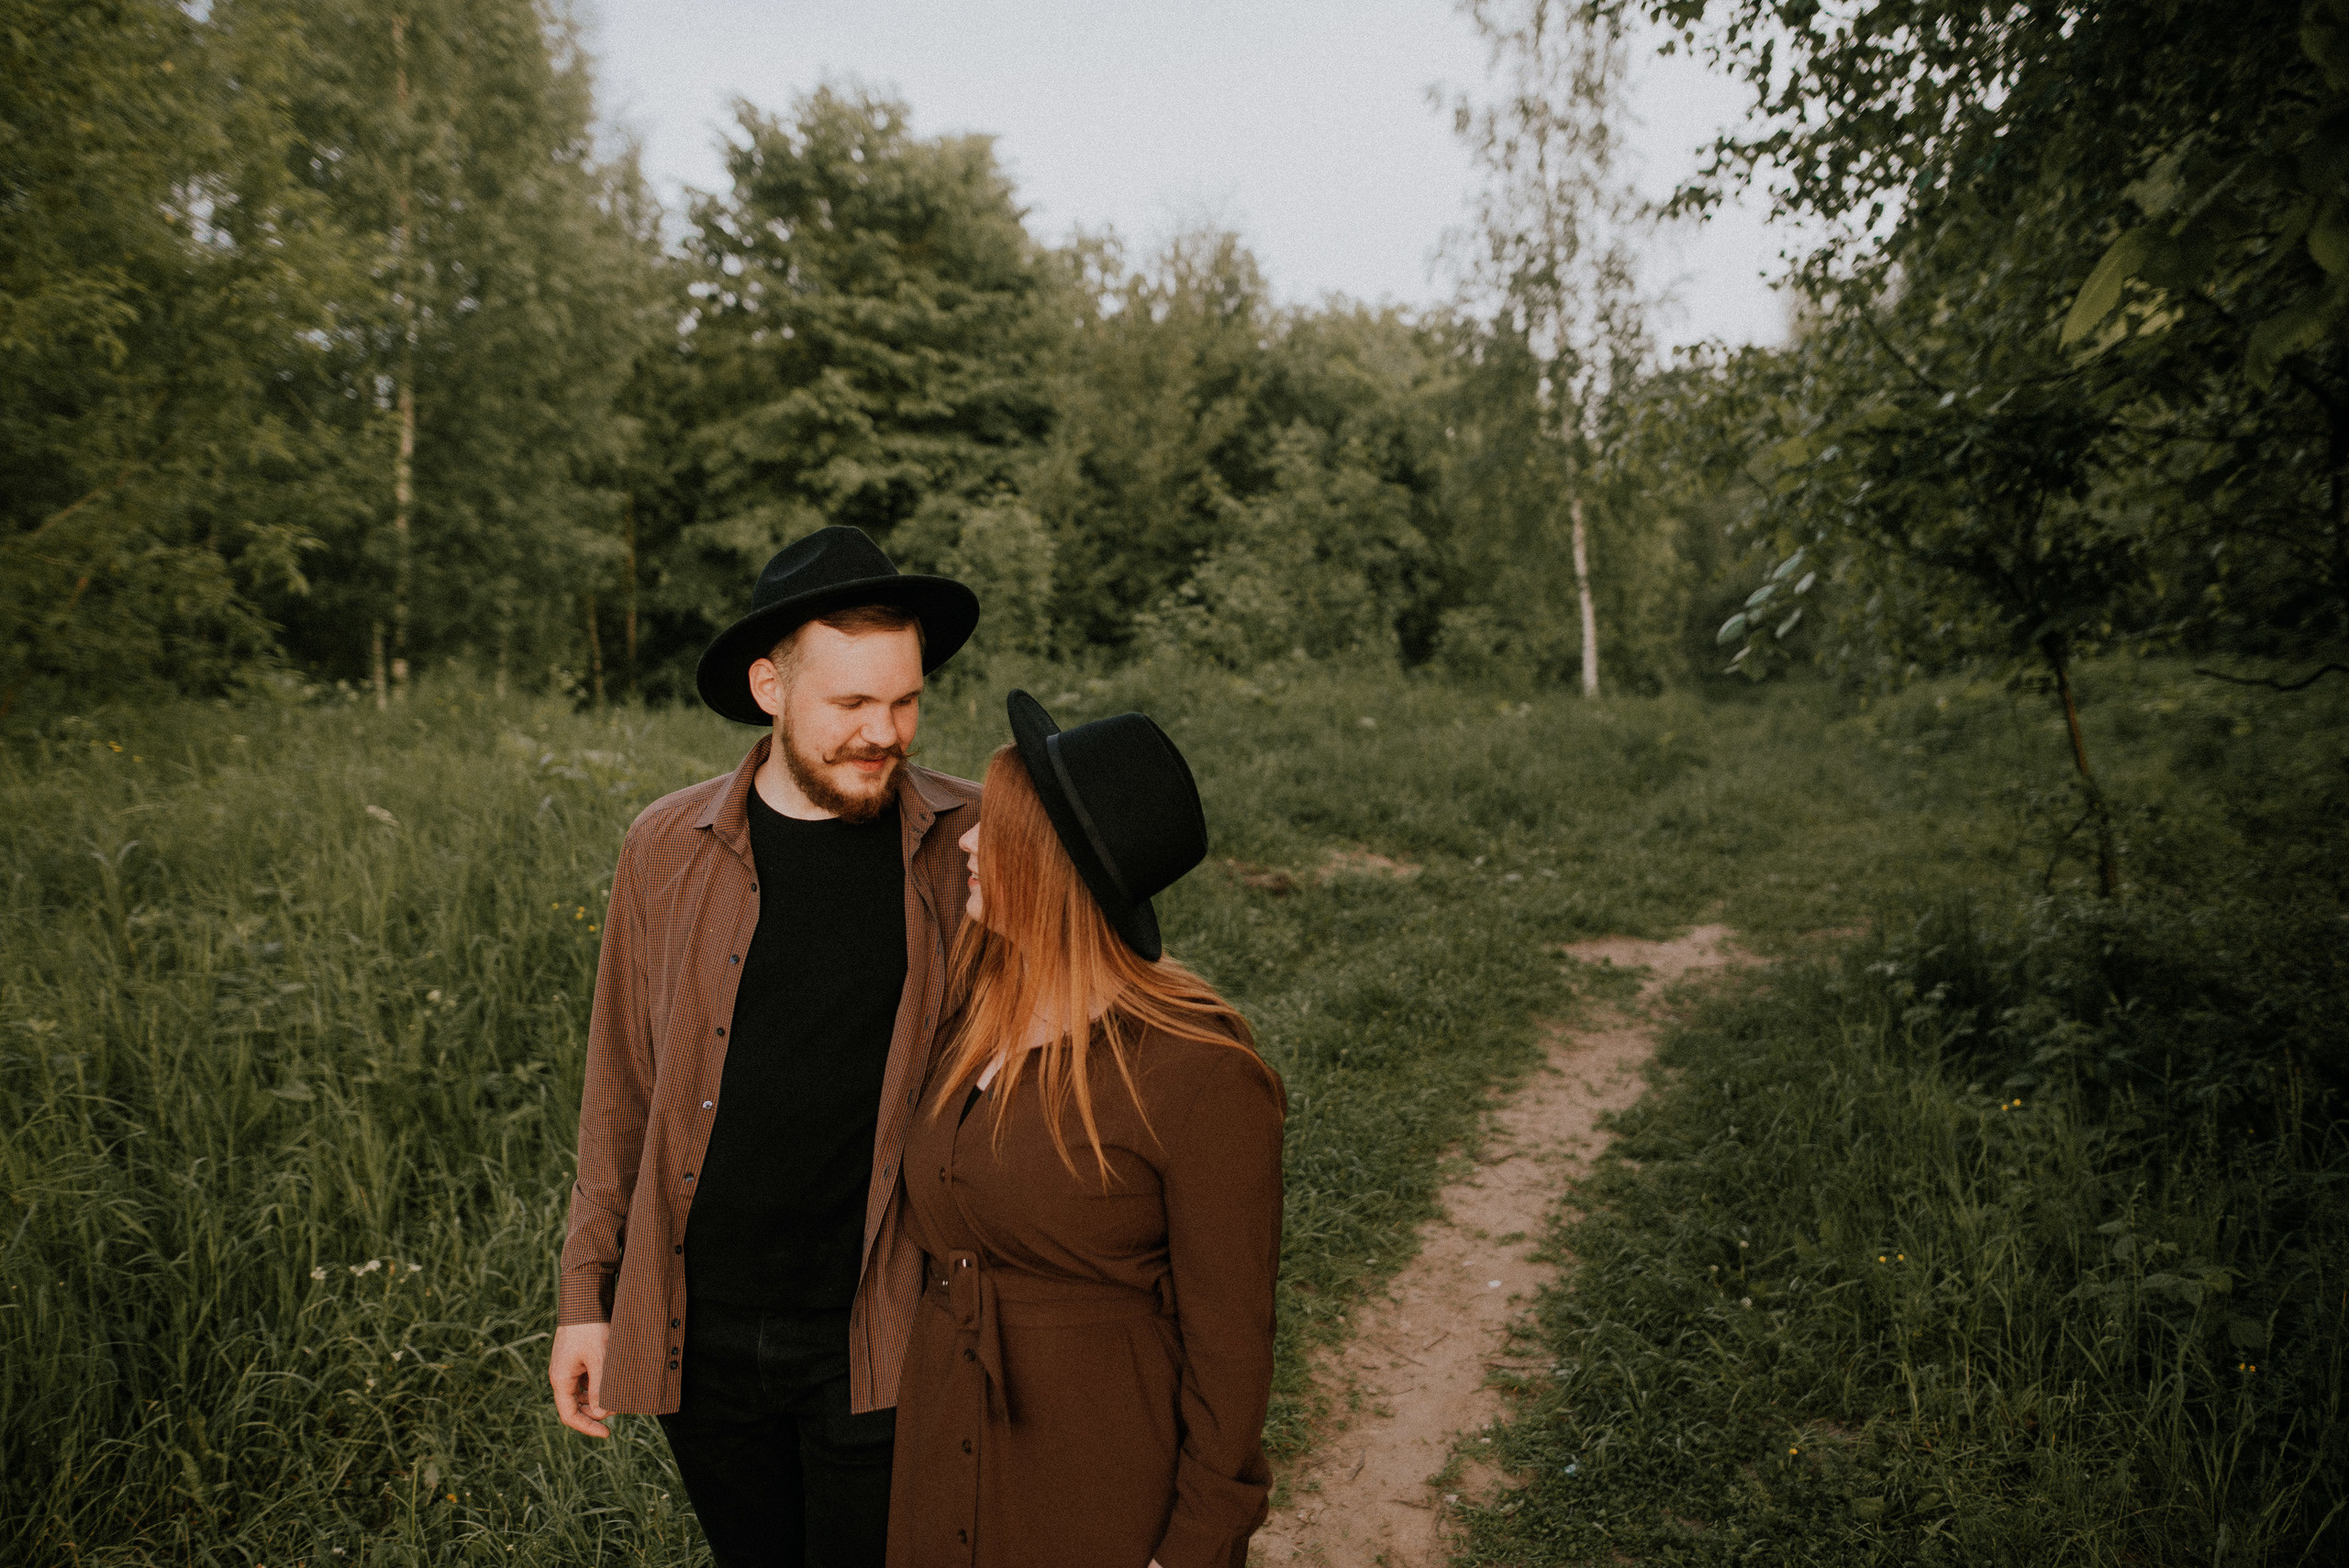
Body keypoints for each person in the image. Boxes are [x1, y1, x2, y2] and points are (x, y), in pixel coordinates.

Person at [548, 526, 983, 1568]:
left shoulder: (974, 840)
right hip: (706, 1332)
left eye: (906, 699)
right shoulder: (665, 847)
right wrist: (586, 1298)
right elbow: (621, 1091)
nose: (885, 732)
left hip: (886, 1323)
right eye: (851, 704)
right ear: (768, 686)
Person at [887, 690, 1287, 1568]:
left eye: (995, 827)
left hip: (1098, 1486)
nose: (965, 842)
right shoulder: (977, 1013)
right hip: (944, 1450)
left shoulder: (1203, 1077)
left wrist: (1193, 1548)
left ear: (1053, 865)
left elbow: (1232, 1356)